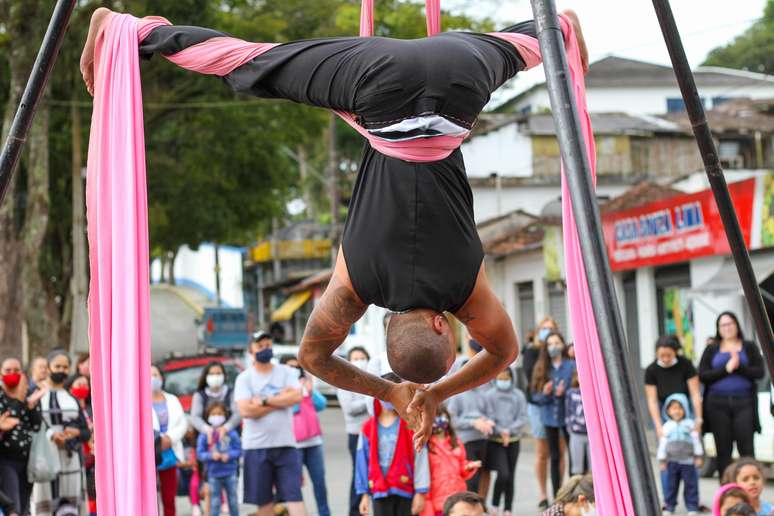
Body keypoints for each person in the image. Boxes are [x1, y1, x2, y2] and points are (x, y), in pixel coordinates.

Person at [233, 332, 304, 516]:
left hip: (286, 445)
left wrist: (264, 401)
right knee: (264, 503)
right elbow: (246, 411)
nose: (266, 349)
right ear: (251, 351)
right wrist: (280, 400)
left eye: (268, 344)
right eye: (260, 346)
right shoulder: (244, 378)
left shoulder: (286, 371)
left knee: (295, 497)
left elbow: (296, 396)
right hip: (256, 447)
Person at [699, 312, 764, 479]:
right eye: (723, 325)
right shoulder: (712, 348)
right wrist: (726, 369)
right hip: (717, 404)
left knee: (746, 448)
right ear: (718, 329)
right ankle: (727, 492)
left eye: (730, 324)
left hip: (744, 402)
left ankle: (750, 487)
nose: (727, 328)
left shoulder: (749, 346)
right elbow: (703, 375)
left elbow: (759, 372)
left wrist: (738, 366)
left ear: (737, 325)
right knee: (723, 449)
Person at [356, 373, 429, 516]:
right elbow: (362, 461)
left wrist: (421, 491)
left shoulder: (411, 425)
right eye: (385, 393)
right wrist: (364, 494)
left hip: (405, 488)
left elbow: (421, 457)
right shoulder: (367, 428)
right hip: (379, 490)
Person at [32, 350, 91, 516]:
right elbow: (32, 422)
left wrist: (76, 432)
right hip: (44, 459)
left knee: (69, 507)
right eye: (57, 366)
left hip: (70, 460)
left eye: (65, 367)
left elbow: (86, 432)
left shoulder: (71, 398)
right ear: (49, 367)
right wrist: (51, 434)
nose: (61, 370)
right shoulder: (37, 395)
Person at [644, 334, 703, 496]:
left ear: (676, 352)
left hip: (685, 410)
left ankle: (693, 498)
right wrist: (657, 425)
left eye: (668, 355)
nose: (665, 358)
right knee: (666, 456)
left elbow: (695, 394)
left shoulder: (686, 365)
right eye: (661, 355)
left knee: (691, 454)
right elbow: (652, 400)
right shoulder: (651, 370)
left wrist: (698, 418)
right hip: (664, 412)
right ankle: (668, 500)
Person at [281, 355, 331, 516]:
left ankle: (325, 513)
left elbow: (321, 405)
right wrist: (295, 395)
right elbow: (290, 411)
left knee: (319, 483)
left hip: (314, 442)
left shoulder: (306, 385)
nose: (294, 370)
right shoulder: (281, 388)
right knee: (295, 485)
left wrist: (309, 391)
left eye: (297, 367)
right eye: (290, 367)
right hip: (293, 445)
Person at [446, 341, 495, 495]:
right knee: (471, 479)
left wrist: (487, 421)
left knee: (482, 475)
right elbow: (453, 421)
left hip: (482, 440)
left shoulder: (482, 393)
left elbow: (489, 413)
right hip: (466, 442)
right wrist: (473, 422)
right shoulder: (456, 396)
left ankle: (480, 508)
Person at [531, 331, 575, 499]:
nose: (553, 347)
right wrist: (547, 392)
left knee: (573, 455)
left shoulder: (571, 366)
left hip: (569, 418)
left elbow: (579, 390)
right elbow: (535, 397)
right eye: (550, 344)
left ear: (563, 345)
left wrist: (565, 392)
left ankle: (573, 494)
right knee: (554, 457)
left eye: (557, 343)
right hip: (549, 417)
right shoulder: (541, 367)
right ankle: (557, 496)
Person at [523, 316, 559, 509]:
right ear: (538, 332)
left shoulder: (558, 350)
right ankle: (543, 494)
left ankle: (559, 492)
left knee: (559, 452)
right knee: (542, 452)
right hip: (537, 406)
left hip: (557, 406)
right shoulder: (532, 352)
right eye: (544, 328)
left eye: (551, 328)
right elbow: (531, 380)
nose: (547, 331)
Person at [0, 358, 44, 516]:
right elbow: (7, 422)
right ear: (1, 373)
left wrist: (31, 407)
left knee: (25, 508)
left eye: (16, 370)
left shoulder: (28, 396)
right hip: (6, 461)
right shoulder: (2, 398)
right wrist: (19, 401)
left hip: (27, 461)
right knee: (14, 508)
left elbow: (37, 425)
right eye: (8, 370)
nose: (12, 374)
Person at [420, 405, 481, 516]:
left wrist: (468, 467)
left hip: (457, 498)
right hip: (437, 500)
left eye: (441, 416)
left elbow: (462, 465)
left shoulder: (456, 442)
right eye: (434, 417)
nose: (438, 420)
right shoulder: (426, 445)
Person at [483, 367, 528, 516]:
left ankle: (508, 508)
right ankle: (495, 505)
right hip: (495, 441)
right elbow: (488, 416)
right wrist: (500, 431)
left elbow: (522, 417)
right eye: (500, 378)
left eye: (506, 379)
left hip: (513, 440)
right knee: (503, 473)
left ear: (511, 378)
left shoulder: (518, 395)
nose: (503, 381)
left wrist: (509, 430)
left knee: (511, 476)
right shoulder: (489, 395)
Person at [338, 346, 372, 516]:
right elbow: (349, 408)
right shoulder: (344, 382)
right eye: (355, 359)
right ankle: (355, 511)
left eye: (362, 357)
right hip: (356, 435)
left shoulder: (373, 380)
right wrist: (370, 400)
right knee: (359, 474)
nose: (359, 361)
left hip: (374, 434)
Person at [151, 364, 188, 516]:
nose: (152, 379)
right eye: (149, 375)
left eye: (155, 375)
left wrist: (169, 438)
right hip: (150, 452)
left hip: (169, 452)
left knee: (169, 496)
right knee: (151, 497)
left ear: (161, 378)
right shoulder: (138, 401)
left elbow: (182, 423)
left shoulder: (172, 399)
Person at [657, 394, 703, 515]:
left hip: (688, 461)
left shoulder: (689, 424)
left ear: (685, 409)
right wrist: (662, 460)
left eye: (679, 408)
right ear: (667, 411)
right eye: (673, 408)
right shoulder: (667, 426)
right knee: (670, 485)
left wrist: (698, 456)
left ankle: (692, 506)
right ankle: (669, 506)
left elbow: (695, 440)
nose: (676, 411)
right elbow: (663, 443)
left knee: (691, 485)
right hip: (672, 462)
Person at [196, 402, 242, 516]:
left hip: (230, 472)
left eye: (219, 413)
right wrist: (211, 456)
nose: (216, 416)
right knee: (215, 502)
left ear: (225, 416)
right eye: (213, 414)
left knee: (233, 501)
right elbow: (200, 453)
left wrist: (229, 455)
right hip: (213, 474)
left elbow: (239, 450)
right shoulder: (205, 434)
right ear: (208, 416)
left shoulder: (231, 433)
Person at [189, 361, 241, 443]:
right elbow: (195, 417)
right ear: (206, 376)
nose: (215, 376)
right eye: (212, 374)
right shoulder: (200, 395)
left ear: (224, 376)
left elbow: (237, 414)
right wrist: (208, 430)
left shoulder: (231, 393)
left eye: (218, 373)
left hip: (230, 439)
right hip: (207, 440)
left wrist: (226, 428)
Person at [66, 374, 96, 516]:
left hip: (95, 459)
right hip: (79, 456)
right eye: (79, 384)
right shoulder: (68, 409)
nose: (83, 388)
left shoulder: (93, 408)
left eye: (86, 385)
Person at [564, 370, 588, 476]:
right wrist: (570, 427)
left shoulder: (592, 393)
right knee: (576, 467)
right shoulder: (571, 393)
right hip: (576, 433)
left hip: (590, 435)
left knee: (593, 467)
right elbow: (568, 412)